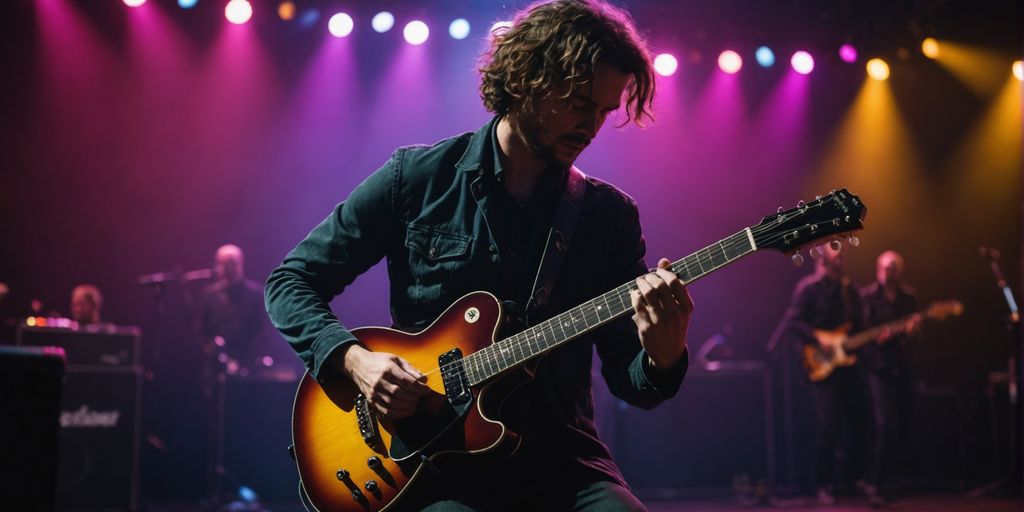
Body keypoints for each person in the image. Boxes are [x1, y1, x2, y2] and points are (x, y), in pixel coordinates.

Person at [264, 1, 693, 509]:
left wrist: (664, 356)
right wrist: (355, 361)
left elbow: (633, 381)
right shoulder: (417, 179)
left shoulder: (608, 216)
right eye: (578, 102)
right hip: (435, 464)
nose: (591, 125)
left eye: (603, 111)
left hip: (562, 459)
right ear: (527, 78)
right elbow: (291, 282)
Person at [773, 244, 870, 505]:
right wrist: (818, 336)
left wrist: (873, 337)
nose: (841, 259)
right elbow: (793, 321)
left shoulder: (850, 290)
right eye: (836, 254)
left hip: (846, 363)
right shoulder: (808, 288)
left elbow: (860, 325)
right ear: (824, 259)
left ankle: (852, 479)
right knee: (829, 423)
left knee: (863, 418)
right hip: (819, 363)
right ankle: (823, 483)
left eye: (843, 256)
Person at [859, 250, 919, 506]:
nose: (889, 271)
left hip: (901, 367)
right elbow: (859, 334)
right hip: (877, 368)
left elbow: (914, 337)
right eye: (885, 267)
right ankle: (875, 481)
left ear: (900, 270)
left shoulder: (909, 298)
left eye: (894, 267)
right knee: (886, 424)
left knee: (903, 424)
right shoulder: (867, 298)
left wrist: (913, 331)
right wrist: (877, 339)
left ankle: (893, 480)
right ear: (878, 269)